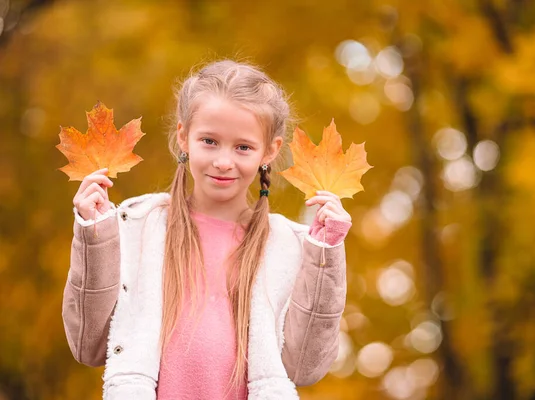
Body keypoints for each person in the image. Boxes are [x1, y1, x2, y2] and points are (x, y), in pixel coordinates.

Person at [61, 60, 352, 400]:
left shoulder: (287, 246)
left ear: (270, 151)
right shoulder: (138, 226)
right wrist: (93, 235)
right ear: (184, 137)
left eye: (243, 147)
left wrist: (326, 256)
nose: (224, 161)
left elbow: (304, 368)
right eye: (209, 141)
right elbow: (88, 345)